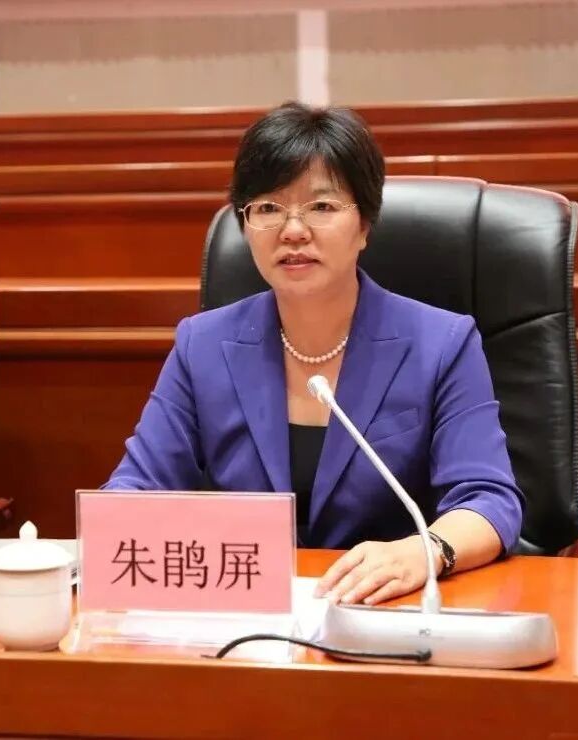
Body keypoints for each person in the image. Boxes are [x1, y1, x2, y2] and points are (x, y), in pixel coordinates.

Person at [103, 102, 524, 606]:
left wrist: (425, 550)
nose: (293, 230)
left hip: (387, 609)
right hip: (246, 614)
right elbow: (134, 489)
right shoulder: (203, 344)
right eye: (268, 208)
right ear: (245, 225)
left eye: (321, 207)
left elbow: (488, 499)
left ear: (365, 224)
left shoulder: (442, 343)